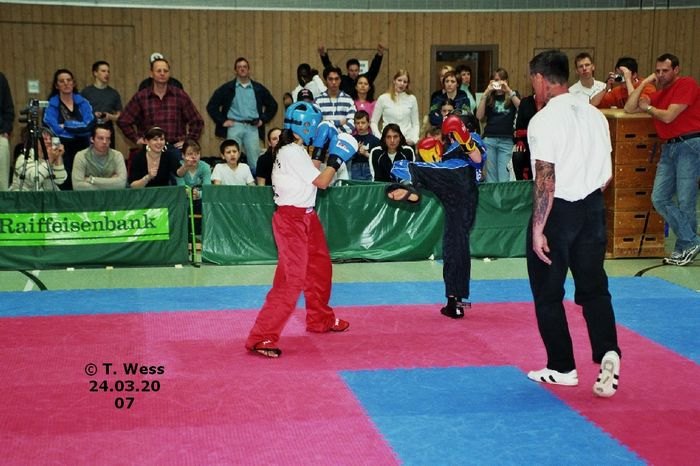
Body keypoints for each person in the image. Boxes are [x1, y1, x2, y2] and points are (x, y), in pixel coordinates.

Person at [525, 49, 621, 398]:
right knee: (594, 288)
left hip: (558, 213)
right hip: (593, 207)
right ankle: (608, 350)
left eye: (532, 80)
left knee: (548, 292)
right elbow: (606, 177)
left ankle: (562, 367)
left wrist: (538, 228)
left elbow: (545, 179)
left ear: (540, 79)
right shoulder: (596, 116)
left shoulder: (543, 120)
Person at [245, 101, 358, 358]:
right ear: (305, 126)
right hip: (291, 221)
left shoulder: (295, 150)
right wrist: (337, 157)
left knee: (319, 269)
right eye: (314, 127)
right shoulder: (291, 152)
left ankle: (320, 319)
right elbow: (323, 182)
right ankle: (261, 336)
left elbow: (311, 173)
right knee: (291, 280)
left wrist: (319, 149)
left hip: (307, 217)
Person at [386, 115, 484, 318]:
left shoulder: (472, 137)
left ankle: (410, 185)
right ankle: (454, 302)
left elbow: (477, 159)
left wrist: (463, 134)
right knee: (455, 244)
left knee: (403, 166)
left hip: (458, 176)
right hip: (459, 195)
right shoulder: (447, 149)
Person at [624, 53, 700, 266]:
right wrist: (643, 83)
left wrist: (649, 108)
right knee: (659, 197)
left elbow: (668, 116)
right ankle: (691, 241)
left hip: (689, 145)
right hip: (669, 147)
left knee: (685, 201)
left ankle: (684, 248)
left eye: (665, 71)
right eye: (657, 71)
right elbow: (629, 108)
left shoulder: (687, 84)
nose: (660, 75)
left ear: (676, 70)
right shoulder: (658, 95)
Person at [206, 57, 278, 173]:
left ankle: (255, 181)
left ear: (249, 70)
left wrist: (263, 120)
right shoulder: (227, 88)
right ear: (235, 70)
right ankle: (232, 181)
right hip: (234, 126)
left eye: (245, 67)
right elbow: (211, 106)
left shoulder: (258, 89)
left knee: (255, 159)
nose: (242, 69)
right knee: (231, 157)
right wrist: (223, 121)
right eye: (239, 67)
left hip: (252, 127)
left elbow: (273, 105)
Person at [119, 58, 204, 152]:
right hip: (150, 149)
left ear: (169, 74)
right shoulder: (141, 97)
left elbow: (197, 121)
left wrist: (188, 141)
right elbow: (123, 120)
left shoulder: (180, 95)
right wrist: (137, 139)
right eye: (159, 71)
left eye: (165, 71)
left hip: (174, 148)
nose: (162, 73)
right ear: (151, 73)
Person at [43, 68, 95, 190]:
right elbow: (53, 129)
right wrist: (79, 127)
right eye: (62, 81)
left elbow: (89, 125)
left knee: (84, 181)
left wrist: (66, 125)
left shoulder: (83, 102)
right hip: (61, 149)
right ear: (56, 85)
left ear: (73, 83)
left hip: (84, 148)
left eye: (69, 80)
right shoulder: (51, 105)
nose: (66, 83)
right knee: (64, 182)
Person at [476, 67, 521, 182]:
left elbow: (522, 109)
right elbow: (479, 116)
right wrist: (486, 93)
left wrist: (509, 91)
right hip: (489, 139)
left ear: (506, 81)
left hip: (506, 140)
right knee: (491, 178)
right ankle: (493, 195)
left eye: (502, 80)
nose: (499, 83)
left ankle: (503, 196)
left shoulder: (513, 95)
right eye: (496, 80)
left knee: (504, 178)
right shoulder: (489, 97)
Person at [371, 69, 420, 146]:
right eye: (399, 80)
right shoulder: (383, 98)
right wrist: (379, 138)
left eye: (405, 82)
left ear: (407, 84)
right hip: (388, 142)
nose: (402, 84)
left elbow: (415, 123)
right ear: (394, 81)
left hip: (407, 141)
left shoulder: (412, 99)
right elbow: (373, 122)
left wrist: (414, 139)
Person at [80, 60, 122, 148]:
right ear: (95, 73)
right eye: (103, 71)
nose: (106, 74)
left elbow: (120, 115)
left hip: (108, 130)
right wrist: (92, 115)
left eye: (108, 71)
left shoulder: (113, 93)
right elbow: (79, 112)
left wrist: (110, 116)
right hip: (90, 130)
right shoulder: (86, 92)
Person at [318, 43, 385, 99]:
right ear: (347, 70)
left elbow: (374, 69)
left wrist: (379, 55)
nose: (354, 73)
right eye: (351, 70)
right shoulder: (342, 80)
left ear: (359, 70)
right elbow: (330, 69)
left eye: (356, 70)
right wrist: (323, 55)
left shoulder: (364, 79)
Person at [72, 124, 127, 190]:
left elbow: (122, 184)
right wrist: (112, 183)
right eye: (100, 138)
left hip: (113, 196)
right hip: (88, 196)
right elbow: (77, 187)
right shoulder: (81, 156)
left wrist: (91, 179)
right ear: (92, 139)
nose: (104, 142)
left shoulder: (117, 156)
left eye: (108, 138)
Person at [175, 139, 211, 235]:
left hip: (200, 199)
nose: (194, 157)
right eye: (190, 154)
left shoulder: (205, 167)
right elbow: (181, 186)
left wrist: (199, 194)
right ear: (183, 155)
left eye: (197, 153)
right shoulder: (178, 166)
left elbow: (208, 188)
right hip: (183, 200)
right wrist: (189, 193)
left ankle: (205, 234)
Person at [591, 56, 655, 109]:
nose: (621, 78)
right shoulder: (617, 91)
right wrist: (606, 89)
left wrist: (628, 80)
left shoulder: (647, 87)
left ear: (634, 75)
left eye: (623, 74)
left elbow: (634, 105)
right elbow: (593, 104)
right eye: (618, 74)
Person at [512, 93, 544, 180]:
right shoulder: (525, 102)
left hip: (544, 143)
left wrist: (526, 132)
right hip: (527, 143)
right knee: (517, 155)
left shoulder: (550, 103)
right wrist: (519, 140)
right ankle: (520, 184)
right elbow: (517, 130)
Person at [315, 66, 356, 135]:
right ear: (325, 80)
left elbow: (352, 124)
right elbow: (316, 123)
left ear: (340, 80)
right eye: (330, 79)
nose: (334, 82)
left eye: (336, 79)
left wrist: (333, 132)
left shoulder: (348, 100)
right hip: (323, 139)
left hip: (343, 139)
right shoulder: (318, 100)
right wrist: (338, 122)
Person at [351, 110, 380, 180]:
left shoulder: (375, 140)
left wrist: (365, 154)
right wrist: (355, 150)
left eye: (363, 122)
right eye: (357, 123)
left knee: (369, 186)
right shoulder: (351, 139)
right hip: (355, 168)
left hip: (370, 167)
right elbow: (348, 158)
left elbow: (378, 159)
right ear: (354, 124)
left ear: (368, 123)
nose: (360, 125)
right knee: (356, 186)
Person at [0, 72, 14, 191]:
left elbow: (8, 108)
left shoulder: (0, 78)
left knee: (2, 182)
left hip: (0, 134)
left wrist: (6, 130)